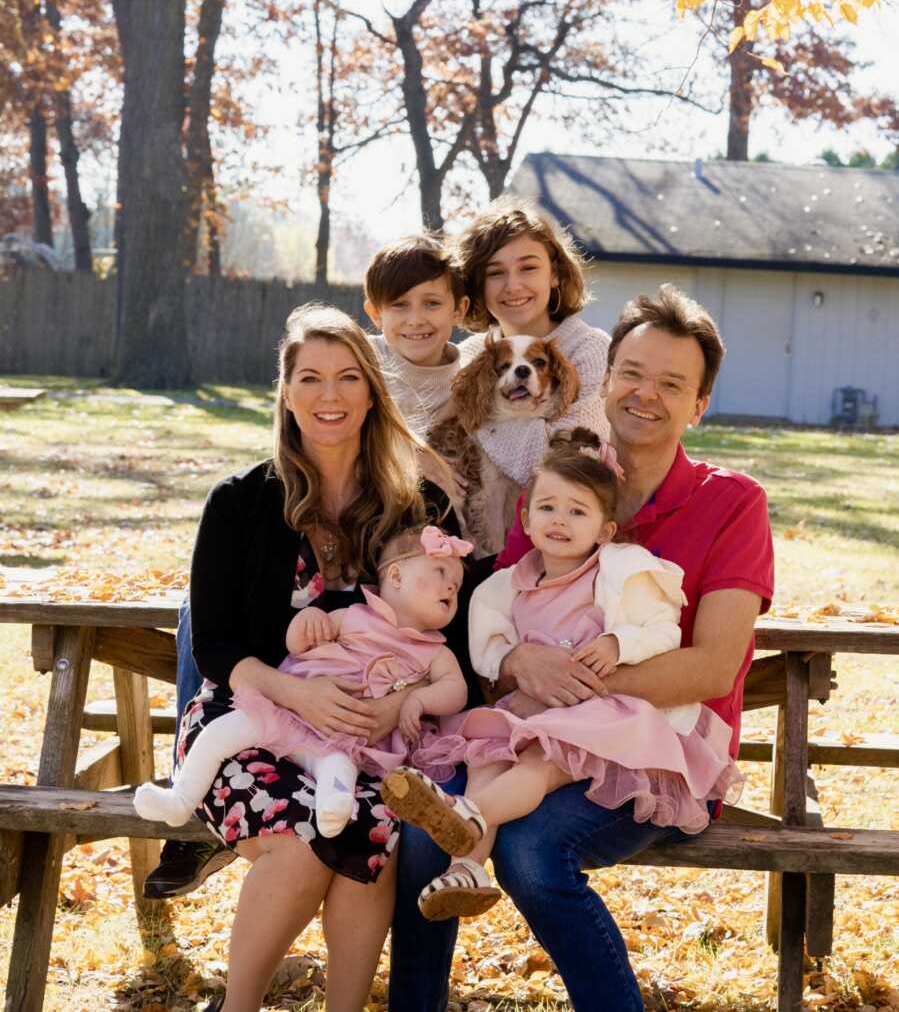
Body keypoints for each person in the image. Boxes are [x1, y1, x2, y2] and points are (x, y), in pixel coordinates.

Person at [389, 284, 774, 1012]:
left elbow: (711, 665)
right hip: (533, 735)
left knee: (532, 854)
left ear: (700, 405)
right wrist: (509, 663)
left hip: (656, 750)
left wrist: (569, 683)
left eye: (672, 384)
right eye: (631, 373)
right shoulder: (558, 487)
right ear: (604, 381)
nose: (645, 395)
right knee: (418, 843)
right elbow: (503, 616)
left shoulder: (732, 503)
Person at [143, 303, 485, 1012]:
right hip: (254, 716)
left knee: (370, 846)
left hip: (373, 734)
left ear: (372, 391)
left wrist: (398, 705)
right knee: (303, 848)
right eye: (310, 378)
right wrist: (297, 695)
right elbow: (213, 643)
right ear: (287, 392)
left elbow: (453, 638)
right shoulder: (240, 502)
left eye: (348, 378)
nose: (329, 397)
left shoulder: (415, 506)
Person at [382, 430, 741, 921]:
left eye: (578, 511)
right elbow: (489, 654)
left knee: (536, 769)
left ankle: (473, 814)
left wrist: (618, 644)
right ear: (525, 519)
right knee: (486, 758)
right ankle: (467, 869)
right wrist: (513, 662)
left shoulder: (622, 571)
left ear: (605, 530)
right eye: (548, 507)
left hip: (598, 720)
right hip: (527, 714)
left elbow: (662, 631)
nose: (560, 521)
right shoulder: (503, 587)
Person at [134, 526, 471, 836]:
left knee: (338, 769)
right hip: (292, 712)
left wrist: (420, 700)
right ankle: (179, 799)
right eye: (442, 573)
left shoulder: (436, 652)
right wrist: (308, 621)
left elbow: (457, 690)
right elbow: (296, 646)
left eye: (456, 583)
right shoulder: (354, 616)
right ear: (396, 576)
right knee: (220, 734)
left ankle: (331, 815)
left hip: (347, 739)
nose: (452, 586)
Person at [454, 196, 611, 489]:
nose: (513, 285)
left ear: (555, 274)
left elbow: (568, 464)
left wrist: (481, 418)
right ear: (477, 284)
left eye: (528, 268)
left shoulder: (591, 349)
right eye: (495, 272)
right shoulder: (467, 357)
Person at [363, 233, 469, 436]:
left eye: (432, 303)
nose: (416, 320)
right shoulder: (360, 361)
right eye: (399, 304)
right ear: (376, 314)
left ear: (458, 310)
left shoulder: (468, 387)